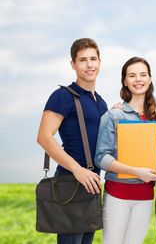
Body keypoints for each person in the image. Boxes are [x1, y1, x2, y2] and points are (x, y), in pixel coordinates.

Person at [37, 38, 108, 244]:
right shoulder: (62, 96)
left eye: (93, 59)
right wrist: (78, 170)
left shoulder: (101, 102)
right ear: (73, 64)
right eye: (83, 59)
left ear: (100, 62)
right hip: (71, 181)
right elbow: (43, 137)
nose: (89, 64)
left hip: (93, 183)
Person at [94, 57, 156, 244]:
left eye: (143, 75)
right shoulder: (114, 115)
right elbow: (101, 157)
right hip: (118, 194)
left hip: (146, 195)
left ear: (149, 79)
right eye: (132, 75)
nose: (138, 79)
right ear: (125, 81)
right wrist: (136, 171)